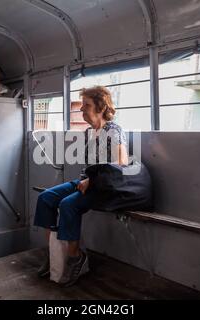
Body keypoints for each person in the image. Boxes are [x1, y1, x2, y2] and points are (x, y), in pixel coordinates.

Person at [33, 86, 129, 287]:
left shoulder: (113, 130)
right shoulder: (89, 132)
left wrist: (92, 181)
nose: (82, 109)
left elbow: (122, 163)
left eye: (87, 105)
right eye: (82, 105)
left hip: (103, 187)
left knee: (68, 205)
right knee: (46, 198)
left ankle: (75, 257)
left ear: (101, 107)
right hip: (85, 181)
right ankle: (55, 254)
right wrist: (87, 180)